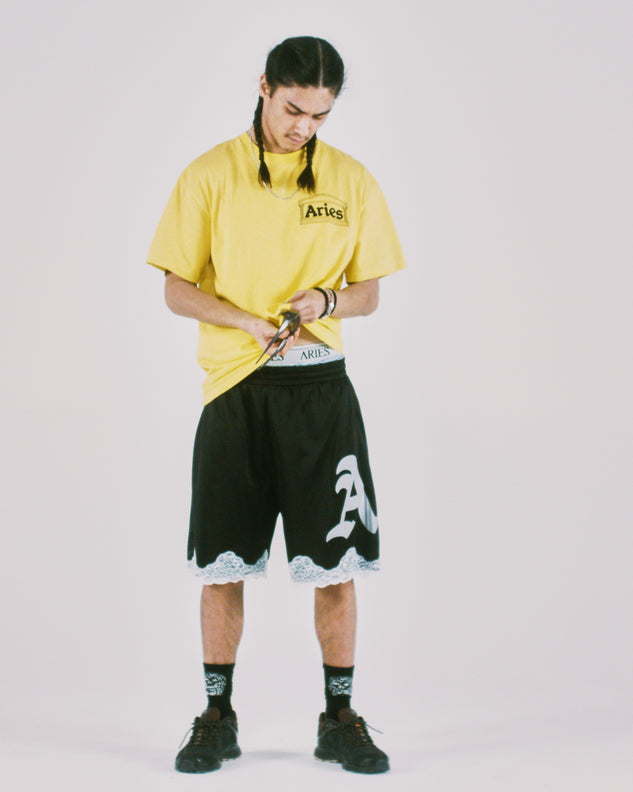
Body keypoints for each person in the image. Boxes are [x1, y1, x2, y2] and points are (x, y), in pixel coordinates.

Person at [147, 36, 406, 775]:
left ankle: (339, 718)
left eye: (319, 115)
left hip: (322, 394)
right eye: (293, 109)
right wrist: (244, 321)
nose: (303, 127)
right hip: (236, 391)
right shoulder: (209, 174)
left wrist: (328, 298)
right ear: (264, 86)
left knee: (336, 565)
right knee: (221, 564)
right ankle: (217, 716)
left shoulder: (350, 179)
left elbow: (369, 291)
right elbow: (175, 288)